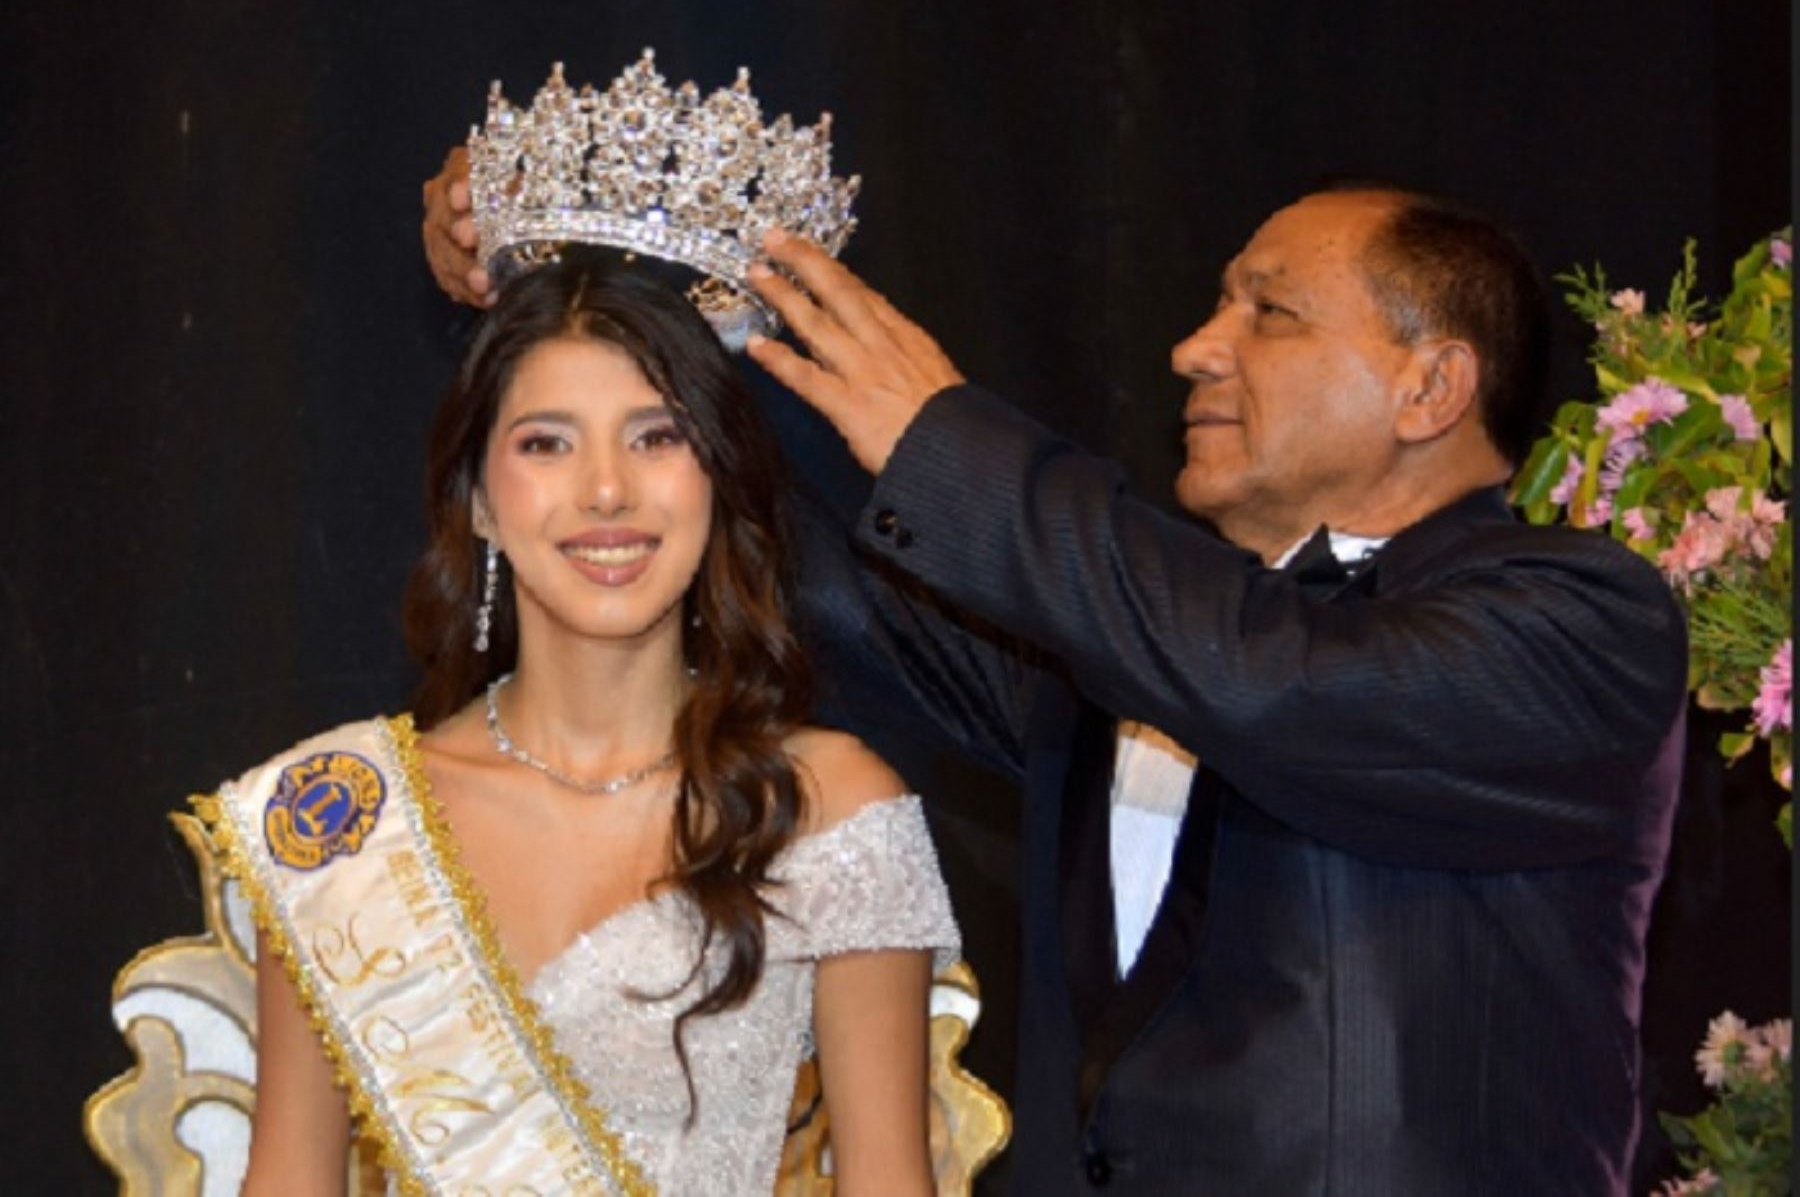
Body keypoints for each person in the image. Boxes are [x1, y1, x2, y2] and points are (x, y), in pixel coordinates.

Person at [425, 169, 1688, 1192]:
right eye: (1215, 307)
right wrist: (574, 279)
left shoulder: (1582, 620)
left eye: (1269, 312)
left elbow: (1280, 688)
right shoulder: (1136, 640)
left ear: (1432, 385)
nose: (1196, 348)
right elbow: (779, 550)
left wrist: (942, 433)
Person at [215, 252, 959, 1197]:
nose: (606, 490)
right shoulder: (345, 820)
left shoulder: (830, 809)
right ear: (479, 497)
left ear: (717, 480)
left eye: (655, 437)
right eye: (546, 444)